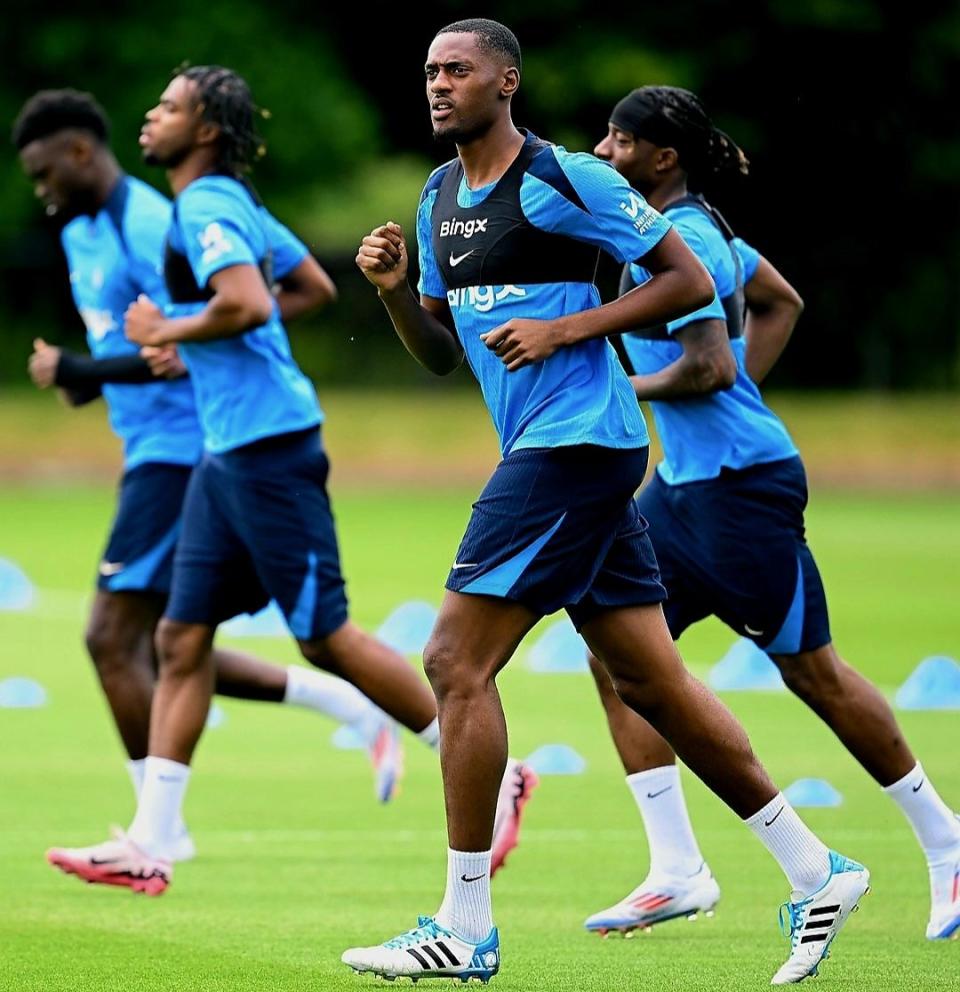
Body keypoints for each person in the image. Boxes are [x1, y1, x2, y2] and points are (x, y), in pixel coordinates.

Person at [346, 19, 869, 986]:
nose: (438, 84)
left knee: (453, 660)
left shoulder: (567, 178)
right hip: (559, 451)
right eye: (428, 71)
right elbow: (438, 352)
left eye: (457, 70)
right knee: (650, 681)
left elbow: (689, 278)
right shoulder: (433, 199)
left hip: (577, 448)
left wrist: (570, 327)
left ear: (507, 81)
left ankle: (465, 929)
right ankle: (816, 866)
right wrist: (392, 293)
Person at [580, 84, 960, 943]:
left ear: (661, 156)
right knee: (616, 654)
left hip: (743, 489)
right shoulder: (682, 231)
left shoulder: (693, 242)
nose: (605, 150)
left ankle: (947, 842)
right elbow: (782, 299)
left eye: (619, 138)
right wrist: (743, 381)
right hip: (683, 488)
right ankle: (676, 869)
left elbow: (709, 370)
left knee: (811, 674)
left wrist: (617, 384)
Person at [13, 90, 406, 869]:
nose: (39, 187)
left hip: (191, 444)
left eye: (43, 169)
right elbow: (148, 346)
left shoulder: (162, 219)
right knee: (173, 643)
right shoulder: (83, 233)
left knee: (113, 637)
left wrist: (82, 366)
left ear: (81, 153)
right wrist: (88, 375)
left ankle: (153, 833)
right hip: (157, 444)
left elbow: (206, 326)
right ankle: (344, 707)